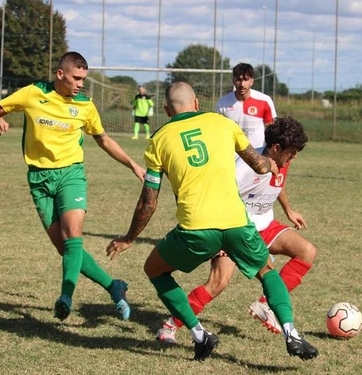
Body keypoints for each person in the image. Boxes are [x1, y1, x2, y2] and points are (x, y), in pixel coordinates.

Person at [106, 82, 318, 361]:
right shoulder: (223, 123)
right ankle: (291, 332)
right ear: (196, 102)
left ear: (167, 109)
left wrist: (129, 238)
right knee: (267, 272)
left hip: (197, 228)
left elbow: (149, 202)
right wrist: (267, 166)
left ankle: (198, 334)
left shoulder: (158, 139)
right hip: (236, 223)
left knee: (155, 269)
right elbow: (259, 164)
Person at [0, 51, 146, 322]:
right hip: (38, 179)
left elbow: (104, 140)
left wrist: (133, 164)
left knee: (73, 235)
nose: (80, 84)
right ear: (60, 74)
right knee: (65, 248)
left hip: (70, 175)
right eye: (76, 78)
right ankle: (114, 286)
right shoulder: (33, 93)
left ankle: (65, 297)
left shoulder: (85, 105)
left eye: (83, 79)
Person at [156, 116, 317, 344]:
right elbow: (220, 194)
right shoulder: (245, 168)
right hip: (236, 229)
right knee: (218, 283)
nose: (295, 156)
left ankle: (265, 304)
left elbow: (277, 182)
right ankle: (169, 327)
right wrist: (223, 240)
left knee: (307, 252)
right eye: (292, 151)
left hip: (265, 225)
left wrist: (289, 210)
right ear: (276, 147)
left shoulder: (282, 159)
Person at [215, 62, 276, 148]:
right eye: (239, 80)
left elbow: (273, 130)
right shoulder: (222, 103)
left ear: (252, 81)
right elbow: (218, 130)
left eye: (246, 80)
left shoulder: (265, 100)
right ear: (233, 81)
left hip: (258, 154)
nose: (242, 84)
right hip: (233, 154)